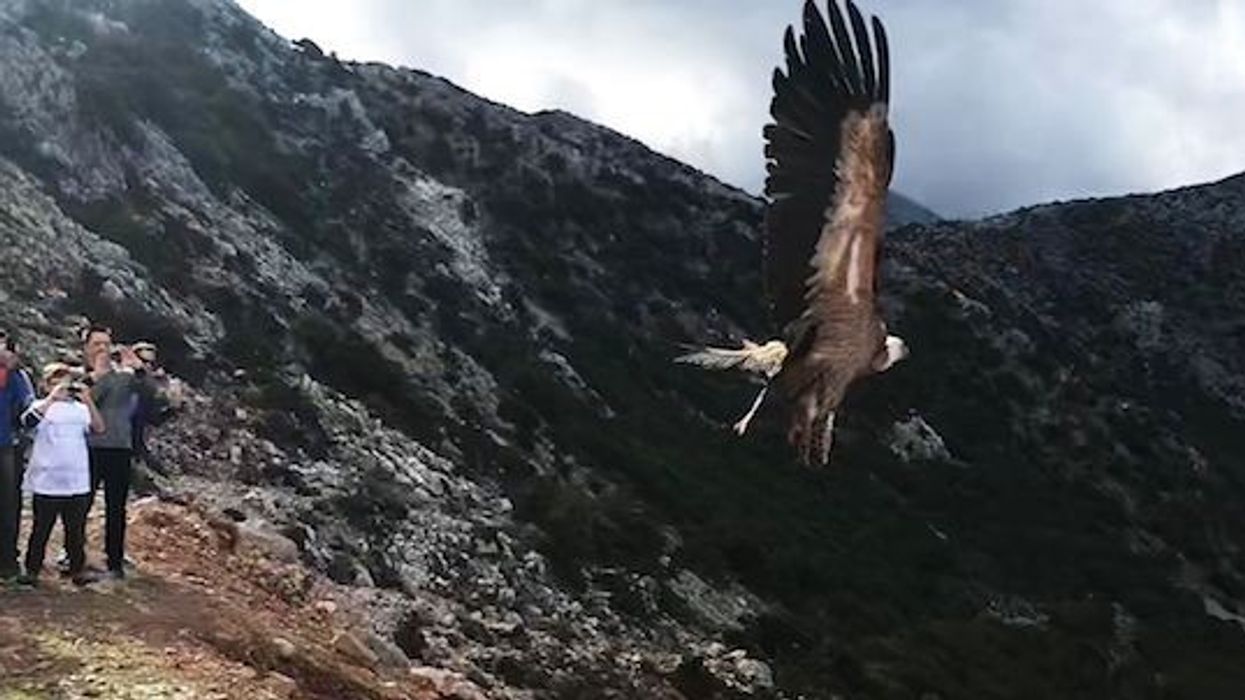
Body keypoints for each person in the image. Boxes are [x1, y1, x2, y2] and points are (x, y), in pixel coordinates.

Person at [80, 324, 167, 580]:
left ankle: (114, 561)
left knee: (116, 508)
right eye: (97, 344)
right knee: (79, 505)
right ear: (86, 348)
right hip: (87, 448)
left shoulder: (125, 377)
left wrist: (139, 370)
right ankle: (74, 554)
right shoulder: (77, 376)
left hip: (119, 447)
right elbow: (88, 400)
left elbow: (154, 396)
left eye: (107, 344)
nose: (103, 349)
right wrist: (98, 376)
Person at [19, 363, 105, 587]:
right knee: (41, 529)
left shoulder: (80, 409)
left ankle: (77, 569)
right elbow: (27, 423)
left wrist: (87, 399)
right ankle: (32, 570)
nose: (64, 387)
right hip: (46, 480)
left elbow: (99, 427)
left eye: (67, 382)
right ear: (47, 385)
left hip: (76, 480)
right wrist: (51, 399)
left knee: (75, 530)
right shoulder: (41, 406)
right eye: (56, 382)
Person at [0, 329, 35, 580]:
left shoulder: (17, 376)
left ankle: (7, 560)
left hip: (7, 446)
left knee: (9, 503)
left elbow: (28, 407)